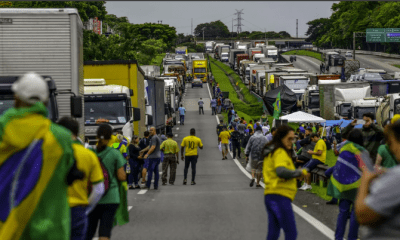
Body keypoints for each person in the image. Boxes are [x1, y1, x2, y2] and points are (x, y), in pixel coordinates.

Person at [0, 72, 82, 240]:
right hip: (50, 230)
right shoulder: (61, 137)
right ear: (45, 102)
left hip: (6, 227)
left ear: (16, 99)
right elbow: (71, 171)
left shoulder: (2, 130)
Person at [57, 117, 105, 240]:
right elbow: (99, 189)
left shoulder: (46, 152)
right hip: (77, 209)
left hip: (52, 209)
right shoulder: (89, 155)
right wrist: (86, 208)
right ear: (77, 133)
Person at [355, 120, 400, 239]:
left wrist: (365, 179)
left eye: (391, 143)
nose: (392, 149)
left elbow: (363, 215)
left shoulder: (397, 178)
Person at [262, 125, 308, 240]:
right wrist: (298, 173)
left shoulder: (272, 150)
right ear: (281, 137)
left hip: (270, 194)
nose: (292, 142)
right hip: (280, 195)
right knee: (291, 232)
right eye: (289, 138)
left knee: (273, 233)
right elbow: (281, 171)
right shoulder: (280, 152)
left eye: (293, 139)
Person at [86, 124, 127, 240]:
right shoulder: (115, 153)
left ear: (97, 136)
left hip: (92, 196)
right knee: (105, 231)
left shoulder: (89, 152)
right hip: (111, 196)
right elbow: (122, 176)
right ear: (111, 137)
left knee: (89, 231)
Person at [325, 129, 365, 240]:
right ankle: (352, 237)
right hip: (357, 186)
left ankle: (338, 237)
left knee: (342, 212)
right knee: (354, 214)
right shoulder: (362, 152)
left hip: (343, 186)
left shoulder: (344, 149)